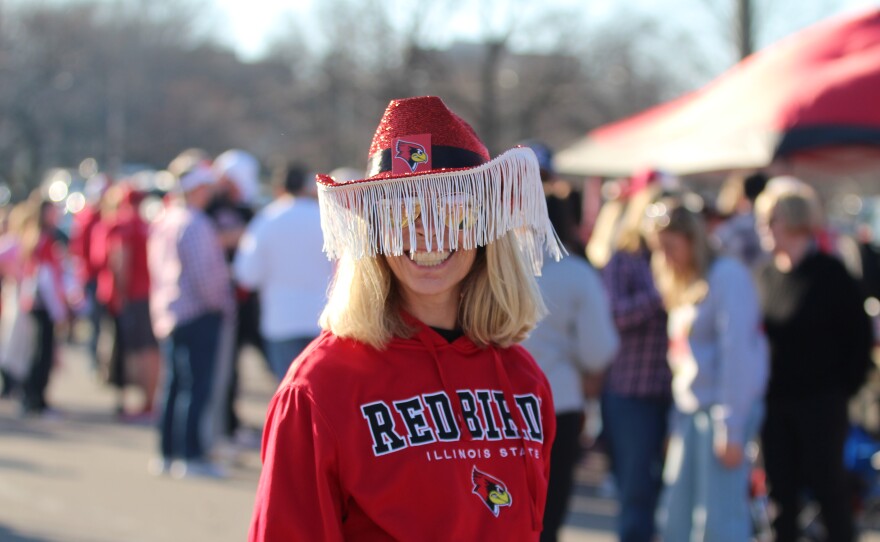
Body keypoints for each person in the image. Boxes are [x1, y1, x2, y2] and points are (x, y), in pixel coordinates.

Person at [249, 95, 564, 540]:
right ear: (373, 230)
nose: (427, 231)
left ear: (486, 228)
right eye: (403, 211)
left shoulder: (523, 379)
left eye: (452, 208)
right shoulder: (319, 387)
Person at [642, 198, 768, 542]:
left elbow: (739, 355)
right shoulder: (686, 282)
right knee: (676, 518)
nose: (664, 257)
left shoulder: (727, 276)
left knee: (719, 520)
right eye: (657, 249)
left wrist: (731, 425)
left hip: (721, 411)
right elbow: (682, 361)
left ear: (692, 240)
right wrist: (675, 421)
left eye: (670, 246)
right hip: (691, 410)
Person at [754, 181, 873, 542]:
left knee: (829, 490)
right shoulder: (764, 275)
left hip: (821, 403)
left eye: (768, 220)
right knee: (780, 495)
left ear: (788, 221)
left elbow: (858, 337)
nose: (763, 229)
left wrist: (841, 389)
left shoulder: (830, 274)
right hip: (775, 404)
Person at [522, 192, 619, 542]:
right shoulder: (577, 274)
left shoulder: (494, 268)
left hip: (494, 404)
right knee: (550, 510)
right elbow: (599, 350)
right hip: (558, 401)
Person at [147, 160, 233, 478]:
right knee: (196, 387)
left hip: (169, 312)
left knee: (173, 386)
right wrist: (221, 304)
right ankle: (191, 454)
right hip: (197, 313)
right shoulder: (194, 223)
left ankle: (168, 452)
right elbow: (206, 279)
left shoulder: (165, 219)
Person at [597, 182, 672, 542]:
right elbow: (614, 315)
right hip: (631, 391)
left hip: (675, 391)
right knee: (636, 488)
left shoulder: (679, 259)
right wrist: (658, 296)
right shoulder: (622, 262)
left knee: (669, 487)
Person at [233, 162, 334, 380]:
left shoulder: (266, 220)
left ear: (278, 188)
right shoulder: (325, 218)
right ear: (308, 187)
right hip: (324, 318)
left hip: (281, 319)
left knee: (290, 390)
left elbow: (246, 275)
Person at [19, 198, 70, 416]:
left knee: (39, 351)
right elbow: (46, 278)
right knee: (42, 353)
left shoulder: (37, 237)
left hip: (37, 302)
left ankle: (34, 397)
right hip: (43, 304)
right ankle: (35, 399)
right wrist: (58, 309)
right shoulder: (45, 239)